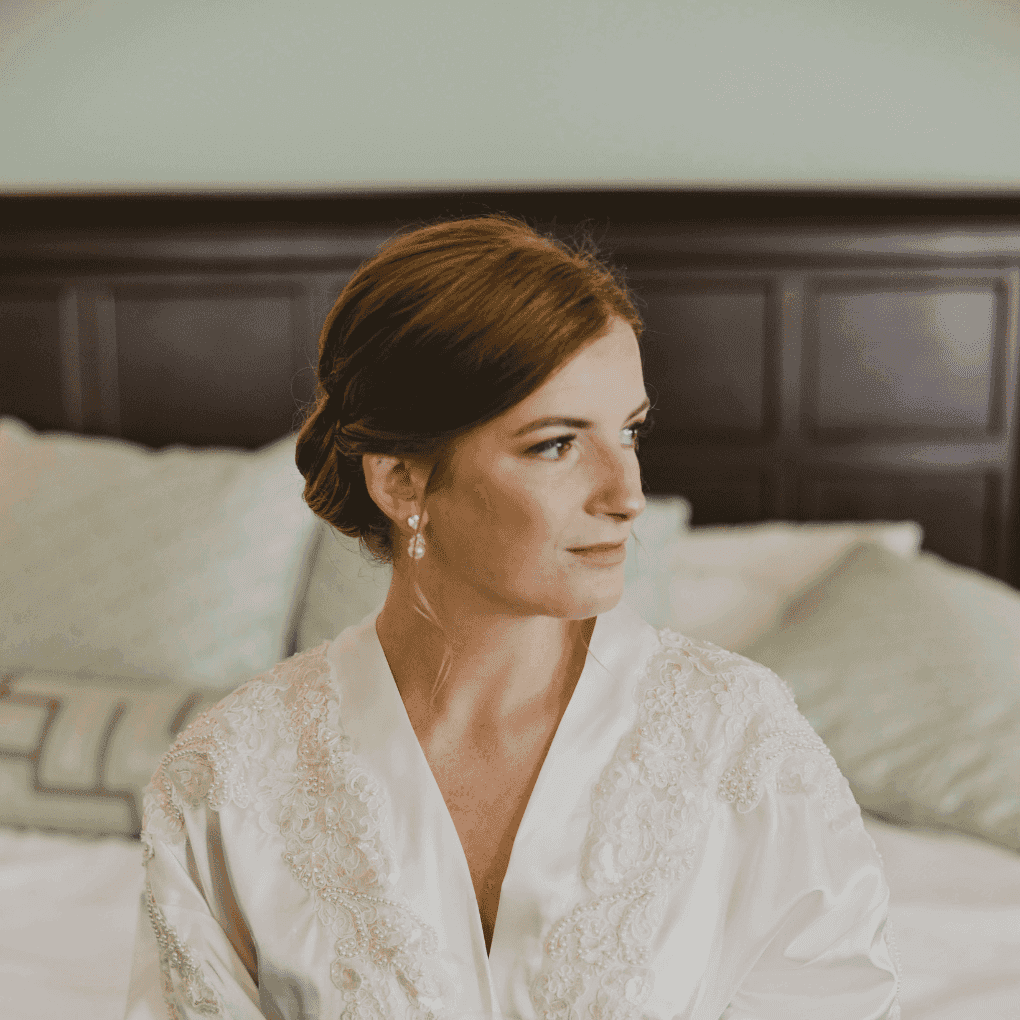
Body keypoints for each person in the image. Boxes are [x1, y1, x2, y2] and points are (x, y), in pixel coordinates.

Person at [134, 213, 901, 1020]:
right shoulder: (228, 780)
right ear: (400, 484)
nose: (627, 495)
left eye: (630, 432)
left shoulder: (738, 741)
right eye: (556, 445)